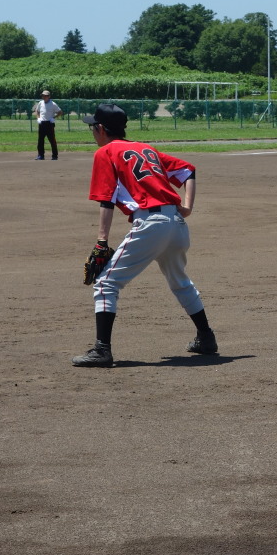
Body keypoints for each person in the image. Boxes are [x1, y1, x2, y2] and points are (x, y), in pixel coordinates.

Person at [71, 103, 217, 368]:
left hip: (151, 224)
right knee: (180, 281)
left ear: (101, 129)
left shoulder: (106, 152)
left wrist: (102, 241)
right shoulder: (146, 148)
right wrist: (187, 207)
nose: (92, 131)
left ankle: (102, 350)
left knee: (105, 284)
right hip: (176, 223)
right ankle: (206, 338)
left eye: (93, 127)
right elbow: (188, 170)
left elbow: (106, 200)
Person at [33, 89, 63, 160]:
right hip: (42, 123)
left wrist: (53, 118)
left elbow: (60, 112)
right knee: (40, 140)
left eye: (45, 96)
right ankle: (41, 155)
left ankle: (54, 156)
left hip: (49, 123)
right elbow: (37, 111)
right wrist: (38, 118)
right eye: (43, 96)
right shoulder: (40, 103)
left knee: (52, 140)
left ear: (49, 96)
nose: (44, 97)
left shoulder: (53, 104)